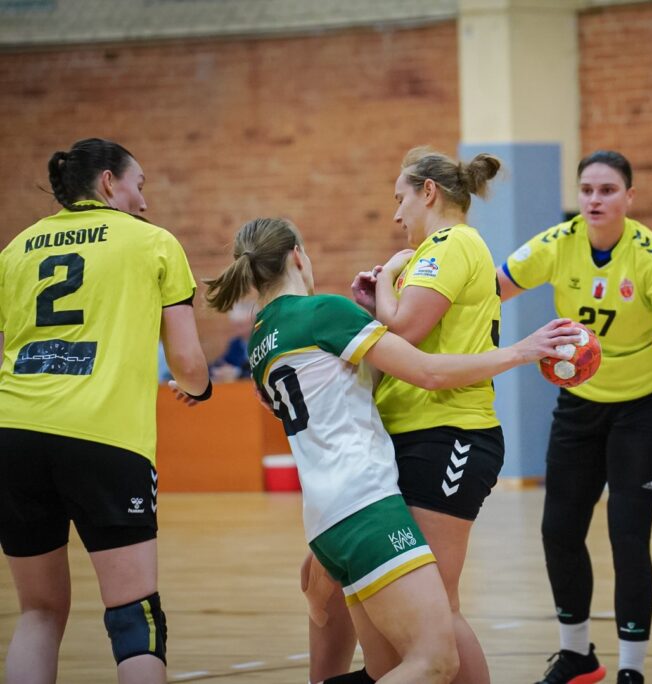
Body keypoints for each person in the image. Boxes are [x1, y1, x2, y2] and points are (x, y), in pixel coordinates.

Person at [203, 216, 581, 684]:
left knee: (387, 669)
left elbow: (351, 382)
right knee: (435, 662)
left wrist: (373, 319)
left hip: (324, 519)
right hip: (366, 505)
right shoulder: (323, 312)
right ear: (297, 256)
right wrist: (522, 351)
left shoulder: (260, 341)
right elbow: (428, 373)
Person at [0, 138, 210, 684]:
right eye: (139, 185)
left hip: (13, 435)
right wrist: (200, 388)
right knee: (134, 615)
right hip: (103, 436)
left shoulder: (16, 248)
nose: (145, 200)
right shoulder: (153, 242)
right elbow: (188, 362)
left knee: (38, 612)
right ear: (110, 182)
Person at [303, 147, 509, 684]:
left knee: (438, 603)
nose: (396, 215)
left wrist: (389, 279)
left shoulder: (449, 244)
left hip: (448, 432)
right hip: (411, 434)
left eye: (401, 199)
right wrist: (380, 301)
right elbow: (400, 334)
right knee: (366, 585)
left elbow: (408, 330)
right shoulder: (437, 252)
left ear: (428, 193)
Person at [498, 150, 652, 684]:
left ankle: (631, 669)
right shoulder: (558, 242)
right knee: (559, 529)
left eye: (607, 190)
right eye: (587, 189)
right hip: (580, 401)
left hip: (642, 404)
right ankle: (577, 656)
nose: (594, 199)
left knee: (627, 535)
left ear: (629, 197)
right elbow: (493, 288)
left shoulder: (651, 254)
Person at [209, 300, 256, 382]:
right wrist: (218, 370)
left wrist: (237, 373)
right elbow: (221, 362)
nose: (237, 329)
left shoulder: (263, 342)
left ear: (254, 323)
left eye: (241, 325)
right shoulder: (236, 343)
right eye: (235, 324)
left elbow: (260, 372)